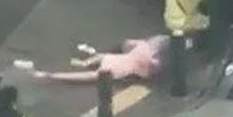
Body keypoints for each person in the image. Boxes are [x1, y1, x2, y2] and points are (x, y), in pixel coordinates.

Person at [33, 35, 169, 82]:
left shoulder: (142, 46)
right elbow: (83, 77)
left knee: (98, 63)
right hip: (121, 70)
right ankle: (84, 63)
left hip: (115, 62)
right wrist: (51, 75)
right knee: (92, 75)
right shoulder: (148, 58)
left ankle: (84, 63)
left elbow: (127, 42)